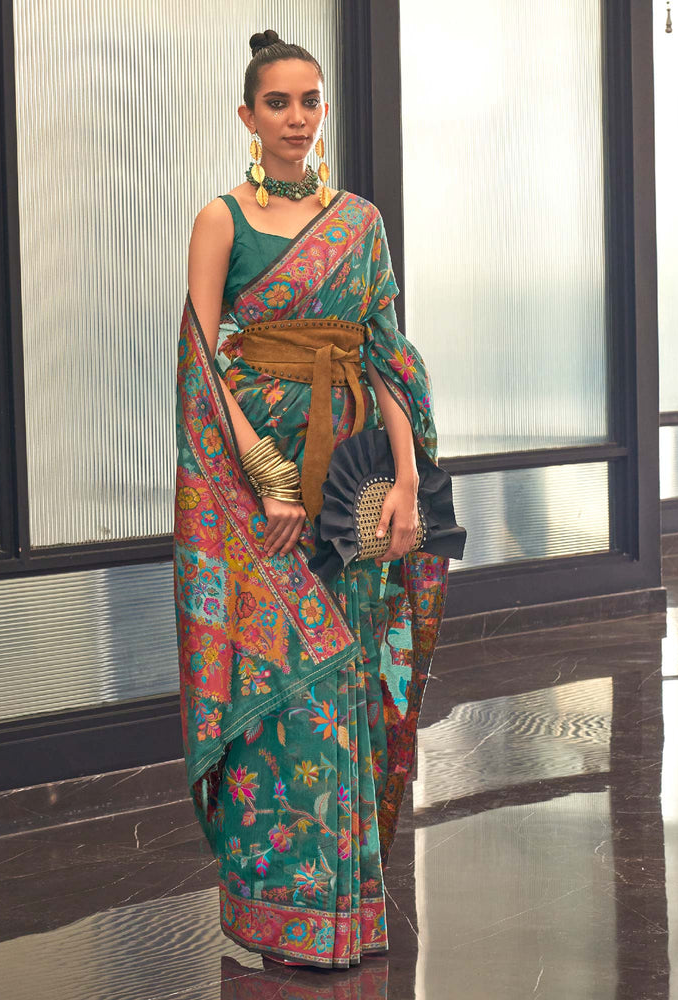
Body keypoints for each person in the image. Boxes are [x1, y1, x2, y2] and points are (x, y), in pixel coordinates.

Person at [174, 28, 449, 970]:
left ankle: (347, 916)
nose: (296, 119)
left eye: (309, 101)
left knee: (349, 678)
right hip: (255, 477)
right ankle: (278, 912)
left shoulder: (360, 222)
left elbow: (387, 358)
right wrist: (261, 472)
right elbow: (200, 358)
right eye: (277, 103)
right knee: (279, 680)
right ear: (247, 116)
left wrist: (405, 481)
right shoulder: (221, 220)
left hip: (348, 482)